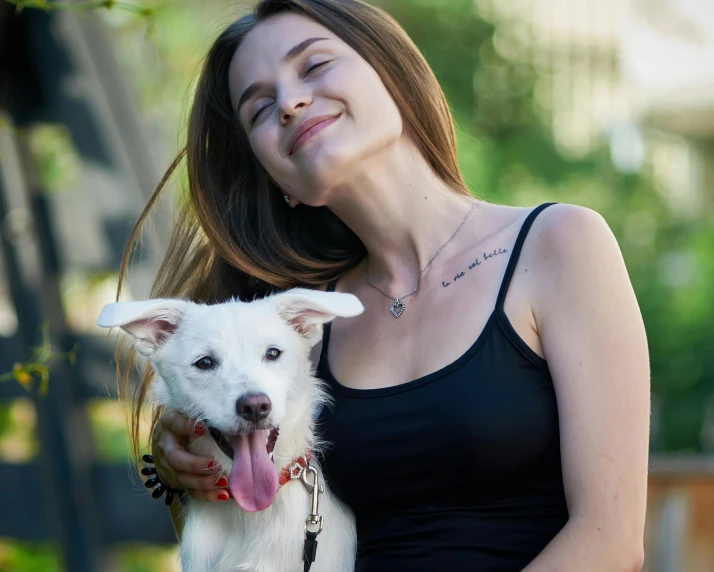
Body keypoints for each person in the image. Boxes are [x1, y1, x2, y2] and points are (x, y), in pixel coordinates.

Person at [118, 0, 650, 570]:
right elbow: (245, 535)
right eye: (260, 109)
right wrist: (181, 454)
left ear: (392, 73)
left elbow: (610, 540)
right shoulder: (298, 327)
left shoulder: (559, 245)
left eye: (315, 66)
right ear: (280, 181)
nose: (291, 103)